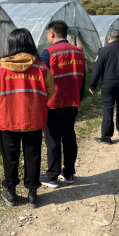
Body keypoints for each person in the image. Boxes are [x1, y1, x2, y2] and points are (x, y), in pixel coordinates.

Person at [0, 28, 55, 208]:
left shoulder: (2, 67)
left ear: (11, 44)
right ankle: (32, 193)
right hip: (33, 119)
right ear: (30, 43)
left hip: (9, 119)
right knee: (32, 155)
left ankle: (10, 192)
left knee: (10, 156)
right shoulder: (41, 66)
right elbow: (51, 91)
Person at [38, 20, 86, 188]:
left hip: (52, 104)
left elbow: (40, 80)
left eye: (47, 34)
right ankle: (69, 172)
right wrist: (78, 99)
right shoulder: (79, 52)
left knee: (52, 140)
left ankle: (52, 177)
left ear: (52, 33)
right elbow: (82, 78)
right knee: (69, 137)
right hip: (72, 103)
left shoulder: (48, 53)